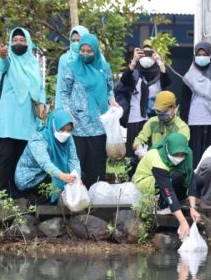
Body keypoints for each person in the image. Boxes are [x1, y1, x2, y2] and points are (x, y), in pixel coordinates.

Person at [56, 32, 118, 188]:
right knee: (76, 163)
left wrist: (112, 99)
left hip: (98, 124)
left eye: (89, 51)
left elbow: (110, 88)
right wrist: (67, 112)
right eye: (82, 51)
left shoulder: (104, 67)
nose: (84, 54)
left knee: (96, 164)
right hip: (77, 124)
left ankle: (96, 199)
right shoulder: (72, 67)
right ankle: (76, 200)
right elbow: (64, 92)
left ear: (95, 51)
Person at [0, 27, 47, 197]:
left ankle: (17, 193)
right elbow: (3, 65)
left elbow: (39, 88)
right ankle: (1, 194)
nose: (18, 43)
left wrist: (43, 104)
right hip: (8, 120)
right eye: (15, 40)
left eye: (22, 40)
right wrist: (2, 55)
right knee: (5, 156)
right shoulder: (8, 60)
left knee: (21, 158)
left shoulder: (33, 63)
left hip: (27, 119)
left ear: (28, 42)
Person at [133, 132, 195, 241]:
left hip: (169, 176)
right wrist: (183, 221)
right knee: (175, 178)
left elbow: (191, 178)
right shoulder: (157, 157)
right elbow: (167, 190)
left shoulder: (188, 153)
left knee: (196, 178)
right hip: (147, 180)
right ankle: (163, 205)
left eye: (182, 155)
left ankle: (177, 203)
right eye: (176, 155)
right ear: (168, 149)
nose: (179, 157)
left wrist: (193, 208)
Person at [179, 42, 211, 167]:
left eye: (204, 54)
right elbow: (184, 102)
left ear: (210, 55)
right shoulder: (189, 78)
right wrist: (183, 123)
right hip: (194, 122)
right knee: (195, 157)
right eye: (199, 54)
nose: (201, 57)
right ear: (195, 56)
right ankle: (196, 184)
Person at [14, 109, 81, 202]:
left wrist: (77, 177)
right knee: (58, 182)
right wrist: (62, 176)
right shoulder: (38, 139)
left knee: (76, 177)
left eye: (69, 130)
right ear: (54, 126)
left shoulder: (68, 138)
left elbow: (73, 159)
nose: (65, 133)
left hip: (49, 173)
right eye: (62, 129)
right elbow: (45, 163)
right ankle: (39, 204)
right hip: (31, 179)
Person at [120, 44, 172, 155]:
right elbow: (124, 80)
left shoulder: (159, 74)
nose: (147, 58)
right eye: (144, 54)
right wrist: (134, 61)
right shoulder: (134, 74)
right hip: (135, 120)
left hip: (154, 120)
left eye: (150, 54)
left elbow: (167, 80)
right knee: (134, 154)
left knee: (154, 154)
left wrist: (159, 61)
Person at [54, 25, 90, 108]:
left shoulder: (94, 58)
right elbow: (60, 85)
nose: (76, 43)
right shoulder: (64, 59)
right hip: (70, 108)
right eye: (73, 40)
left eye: (79, 40)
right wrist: (59, 108)